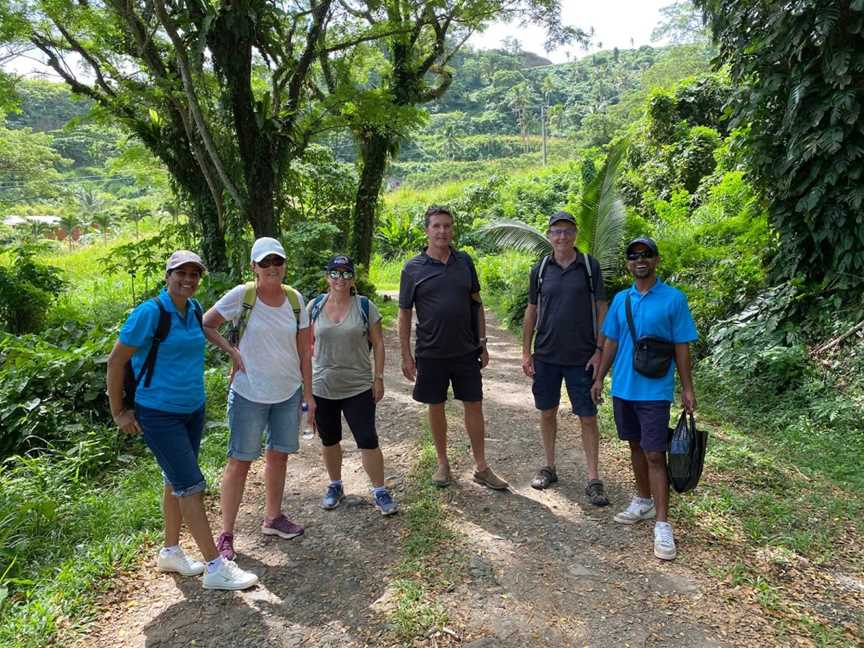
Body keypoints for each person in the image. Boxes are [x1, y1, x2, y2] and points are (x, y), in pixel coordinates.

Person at [106, 250, 258, 590]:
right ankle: (215, 567)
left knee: (174, 480)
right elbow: (116, 362)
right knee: (191, 484)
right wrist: (119, 412)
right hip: (159, 413)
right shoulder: (150, 313)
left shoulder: (194, 309)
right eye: (181, 273)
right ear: (167, 274)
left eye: (194, 274)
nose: (188, 279)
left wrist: (233, 353)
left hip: (192, 409)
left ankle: (171, 551)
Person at [202, 237, 313, 561]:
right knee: (240, 461)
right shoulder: (243, 296)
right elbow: (207, 323)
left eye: (277, 262)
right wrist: (232, 351)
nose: (271, 268)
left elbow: (305, 350)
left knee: (279, 455)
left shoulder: (295, 300)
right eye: (264, 263)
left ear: (284, 264)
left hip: (287, 392)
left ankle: (273, 517)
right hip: (250, 392)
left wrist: (309, 394)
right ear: (253, 267)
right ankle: (226, 534)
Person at [590, 237, 697, 560]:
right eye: (634, 256)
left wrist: (687, 388)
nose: (640, 260)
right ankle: (643, 501)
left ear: (656, 260)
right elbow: (610, 342)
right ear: (628, 263)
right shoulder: (622, 300)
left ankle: (663, 525)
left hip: (655, 390)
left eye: (646, 255)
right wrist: (599, 378)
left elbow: (682, 346)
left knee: (654, 453)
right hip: (623, 387)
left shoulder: (673, 300)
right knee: (635, 446)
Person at [399, 205, 508, 490]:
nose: (442, 231)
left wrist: (482, 343)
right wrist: (405, 355)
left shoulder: (464, 262)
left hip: (465, 349)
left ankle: (482, 466)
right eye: (436, 226)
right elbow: (404, 313)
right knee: (436, 406)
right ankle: (443, 463)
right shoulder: (412, 268)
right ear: (427, 230)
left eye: (447, 226)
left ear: (452, 229)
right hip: (431, 351)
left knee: (474, 404)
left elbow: (477, 303)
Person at [521, 211, 610, 505]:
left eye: (567, 231)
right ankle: (549, 467)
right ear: (549, 235)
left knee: (587, 416)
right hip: (546, 354)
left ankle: (593, 479)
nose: (562, 237)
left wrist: (599, 350)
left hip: (582, 356)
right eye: (556, 232)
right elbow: (532, 310)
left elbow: (601, 309)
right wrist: (526, 350)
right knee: (547, 412)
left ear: (575, 234)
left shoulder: (588, 266)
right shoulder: (541, 268)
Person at [308, 255, 398, 515]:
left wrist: (378, 378)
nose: (340, 279)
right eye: (335, 273)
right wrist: (304, 385)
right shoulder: (314, 306)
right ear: (327, 277)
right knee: (329, 439)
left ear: (353, 279)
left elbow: (379, 343)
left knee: (367, 439)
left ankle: (379, 490)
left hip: (357, 385)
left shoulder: (365, 306)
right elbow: (305, 345)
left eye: (346, 273)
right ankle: (335, 485)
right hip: (322, 385)